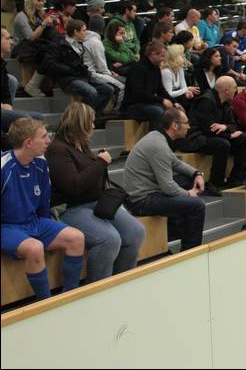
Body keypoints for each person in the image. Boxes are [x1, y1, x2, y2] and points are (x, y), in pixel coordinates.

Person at [46, 103, 145, 282]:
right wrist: (100, 163)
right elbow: (74, 186)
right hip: (70, 208)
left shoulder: (81, 144)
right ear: (80, 123)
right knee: (109, 239)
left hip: (94, 202)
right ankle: (99, 288)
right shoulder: (57, 149)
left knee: (136, 231)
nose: (93, 126)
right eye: (90, 122)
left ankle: (121, 282)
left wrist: (98, 164)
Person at [1, 118, 85, 301]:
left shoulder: (41, 163)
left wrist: (46, 232)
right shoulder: (3, 166)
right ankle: (46, 303)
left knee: (76, 238)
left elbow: (43, 202)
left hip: (34, 222)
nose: (49, 141)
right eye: (44, 136)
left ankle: (71, 296)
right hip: (7, 227)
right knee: (35, 248)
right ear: (28, 143)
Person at [123, 108, 208, 251]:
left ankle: (173, 232)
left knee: (187, 180)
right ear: (174, 125)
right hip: (142, 200)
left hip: (147, 192)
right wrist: (189, 194)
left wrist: (196, 174)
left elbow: (176, 163)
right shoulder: (159, 146)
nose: (188, 127)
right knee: (197, 205)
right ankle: (190, 252)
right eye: (186, 123)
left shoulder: (157, 137)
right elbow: (168, 187)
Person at [175, 76, 246, 189]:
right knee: (222, 144)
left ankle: (236, 178)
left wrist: (225, 126)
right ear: (227, 90)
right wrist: (229, 134)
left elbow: (233, 125)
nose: (236, 90)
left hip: (214, 135)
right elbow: (209, 129)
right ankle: (215, 183)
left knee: (242, 139)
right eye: (234, 87)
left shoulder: (226, 103)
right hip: (196, 138)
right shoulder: (206, 101)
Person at [42, 19, 115, 118]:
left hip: (81, 76)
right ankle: (80, 118)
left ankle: (93, 116)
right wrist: (70, 70)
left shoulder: (80, 44)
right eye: (84, 30)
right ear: (76, 32)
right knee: (91, 92)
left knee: (108, 89)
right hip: (67, 79)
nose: (86, 33)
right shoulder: (58, 44)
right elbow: (50, 64)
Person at [121, 41, 175, 130]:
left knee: (172, 111)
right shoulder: (137, 68)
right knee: (158, 111)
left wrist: (174, 102)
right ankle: (154, 137)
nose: (163, 59)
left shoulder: (156, 69)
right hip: (132, 106)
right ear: (153, 54)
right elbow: (138, 93)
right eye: (162, 56)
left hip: (147, 104)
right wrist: (162, 100)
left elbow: (160, 90)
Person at [1, 27, 46, 133]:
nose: (11, 42)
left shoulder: (2, 64)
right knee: (26, 120)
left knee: (39, 117)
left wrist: (8, 104)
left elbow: (6, 91)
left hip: (3, 109)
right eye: (7, 38)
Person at [13, 0, 56, 98]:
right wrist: (44, 24)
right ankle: (33, 85)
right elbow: (30, 37)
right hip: (23, 46)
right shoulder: (21, 16)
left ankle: (45, 85)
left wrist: (53, 24)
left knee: (56, 49)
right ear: (31, 1)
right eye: (38, 1)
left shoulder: (39, 14)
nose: (41, 3)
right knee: (49, 52)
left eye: (42, 1)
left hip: (37, 44)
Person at [162, 44, 200, 109]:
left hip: (178, 95)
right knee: (184, 100)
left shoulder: (179, 68)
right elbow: (169, 94)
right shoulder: (166, 72)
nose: (184, 56)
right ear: (175, 57)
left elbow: (183, 86)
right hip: (168, 98)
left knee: (195, 96)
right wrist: (186, 89)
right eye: (182, 54)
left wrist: (188, 92)